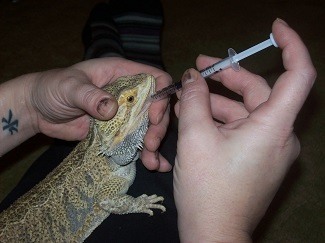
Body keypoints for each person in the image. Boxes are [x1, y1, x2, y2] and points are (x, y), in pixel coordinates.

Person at [0, 1, 316, 242]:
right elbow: (111, 198)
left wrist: (27, 104)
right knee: (164, 164)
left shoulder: (103, 142)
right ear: (114, 130)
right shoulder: (106, 175)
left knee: (75, 145)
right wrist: (220, 225)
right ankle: (114, 45)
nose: (139, 91)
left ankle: (108, 46)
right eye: (130, 102)